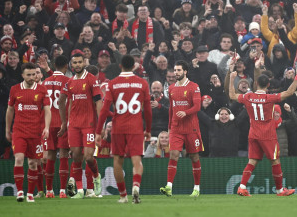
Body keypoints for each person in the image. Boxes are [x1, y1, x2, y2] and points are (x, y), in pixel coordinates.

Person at [229, 63, 297, 197]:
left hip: (253, 133)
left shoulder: (248, 97)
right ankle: (280, 190)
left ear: (256, 83)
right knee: (275, 161)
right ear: (268, 85)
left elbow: (232, 95)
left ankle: (242, 187)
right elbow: (289, 92)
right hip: (268, 134)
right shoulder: (270, 98)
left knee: (252, 161)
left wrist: (231, 78)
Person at [95, 55, 152, 204]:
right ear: (134, 66)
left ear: (120, 65)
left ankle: (122, 195)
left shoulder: (112, 84)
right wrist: (148, 130)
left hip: (118, 127)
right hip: (136, 126)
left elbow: (104, 110)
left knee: (118, 161)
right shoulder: (142, 83)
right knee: (136, 161)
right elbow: (147, 110)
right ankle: (136, 186)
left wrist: (98, 131)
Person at [58, 53, 102, 199]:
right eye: (74, 62)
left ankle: (96, 176)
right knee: (76, 157)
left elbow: (98, 102)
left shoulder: (91, 79)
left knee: (89, 157)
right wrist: (65, 122)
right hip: (74, 125)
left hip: (89, 124)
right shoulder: (69, 82)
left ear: (84, 63)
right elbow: (63, 101)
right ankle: (80, 190)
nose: (77, 65)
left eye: (79, 62)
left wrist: (99, 126)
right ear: (71, 64)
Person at [5, 62, 51, 203]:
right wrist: (8, 129)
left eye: (34, 74)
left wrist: (47, 127)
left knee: (33, 163)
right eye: (29, 75)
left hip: (35, 132)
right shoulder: (14, 89)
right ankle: (20, 192)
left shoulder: (42, 90)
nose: (32, 77)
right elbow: (10, 110)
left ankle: (30, 193)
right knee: (18, 159)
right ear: (23, 75)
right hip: (19, 131)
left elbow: (48, 110)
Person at [160, 60, 202, 198]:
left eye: (178, 70)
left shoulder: (194, 87)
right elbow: (172, 108)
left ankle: (196, 188)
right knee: (173, 155)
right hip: (176, 128)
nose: (176, 73)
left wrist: (186, 112)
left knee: (194, 157)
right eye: (175, 70)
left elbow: (197, 106)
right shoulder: (171, 88)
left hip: (191, 128)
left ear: (185, 71)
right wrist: (169, 128)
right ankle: (169, 187)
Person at [42, 55, 70, 198]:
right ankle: (63, 191)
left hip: (48, 123)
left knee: (50, 157)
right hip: (62, 123)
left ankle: (49, 191)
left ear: (54, 65)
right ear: (66, 66)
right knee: (64, 155)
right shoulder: (68, 81)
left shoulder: (45, 82)